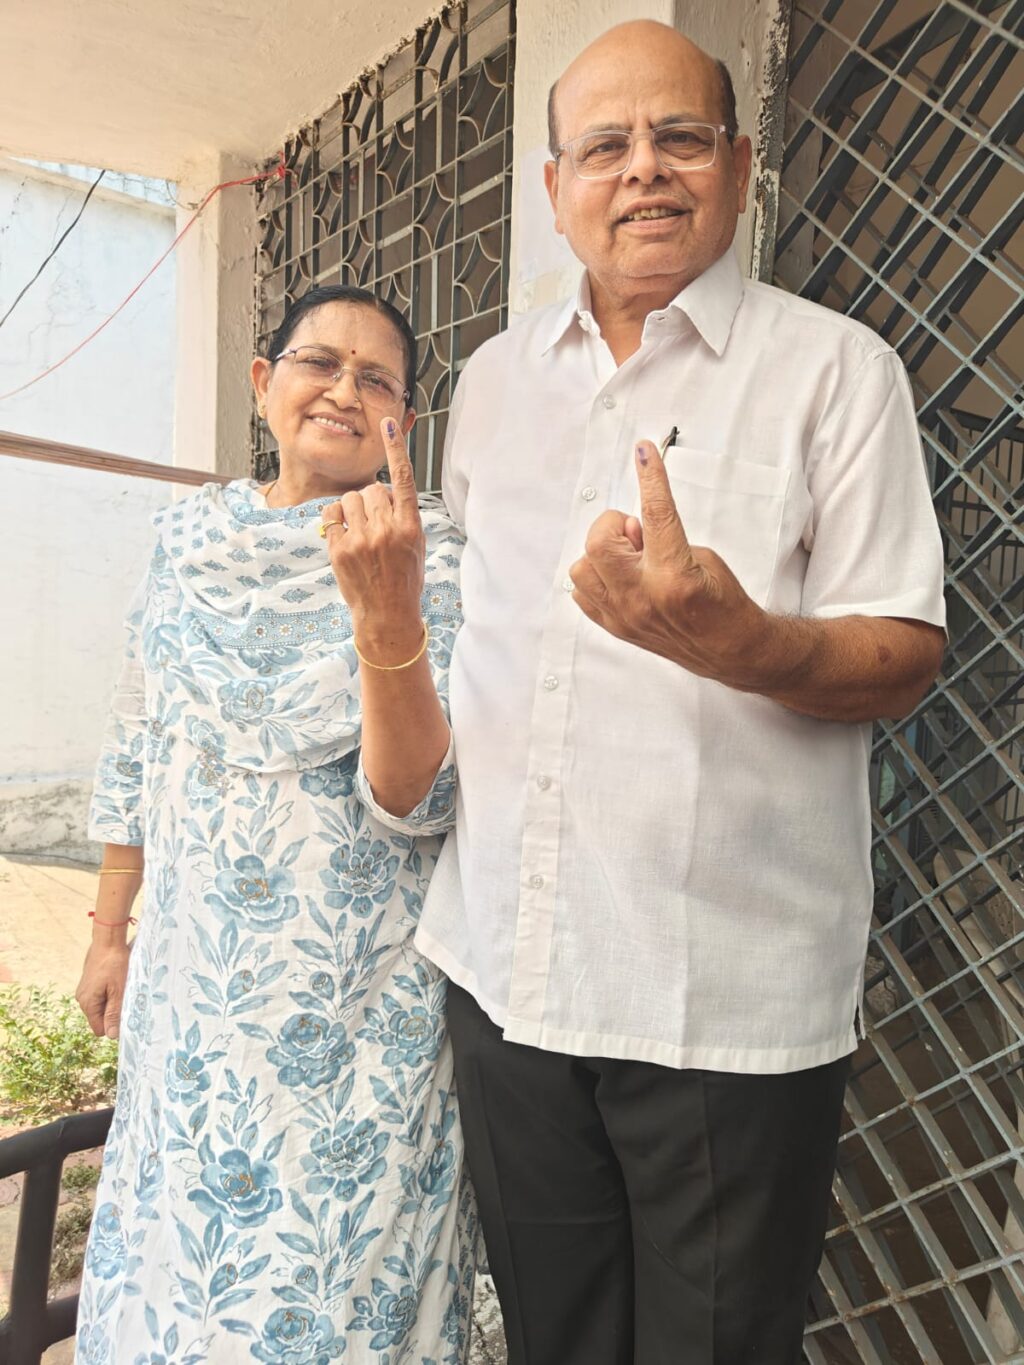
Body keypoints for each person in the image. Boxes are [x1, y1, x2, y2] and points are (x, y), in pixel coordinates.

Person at [414, 20, 946, 1365]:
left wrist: (742, 643)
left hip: (720, 1006)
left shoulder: (837, 373)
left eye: (680, 138)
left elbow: (903, 652)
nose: (643, 169)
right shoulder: (490, 384)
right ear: (554, 189)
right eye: (604, 146)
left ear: (740, 164)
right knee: (556, 1342)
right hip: (506, 977)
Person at [74, 285, 476, 1364]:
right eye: (319, 363)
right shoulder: (187, 541)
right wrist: (109, 933)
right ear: (264, 384)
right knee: (178, 1267)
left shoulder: (431, 554)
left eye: (377, 380)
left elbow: (419, 798)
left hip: (355, 1003)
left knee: (334, 1283)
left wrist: (385, 613)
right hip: (193, 994)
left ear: (403, 422)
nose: (344, 391)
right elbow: (137, 738)